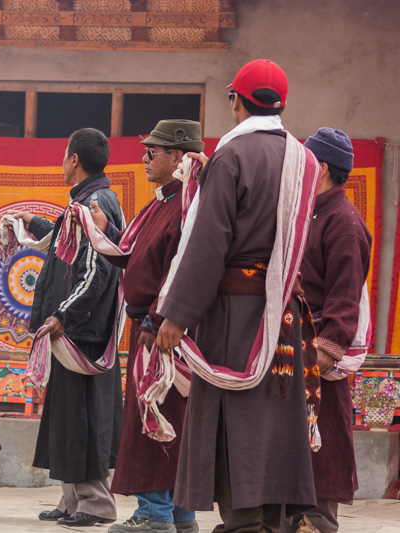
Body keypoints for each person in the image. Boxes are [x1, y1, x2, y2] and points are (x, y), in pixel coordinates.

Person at [155, 59, 320, 531]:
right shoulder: (305, 161)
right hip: (281, 312)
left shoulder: (232, 157)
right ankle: (270, 523)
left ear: (236, 101)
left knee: (235, 422)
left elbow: (209, 243)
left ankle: (243, 524)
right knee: (273, 423)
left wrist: (177, 314)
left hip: (234, 313)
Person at [84, 120, 204, 533]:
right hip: (153, 326)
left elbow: (180, 268)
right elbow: (138, 257)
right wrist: (107, 232)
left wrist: (158, 318)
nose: (144, 158)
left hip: (162, 330)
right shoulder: (162, 202)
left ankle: (155, 514)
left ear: (178, 157)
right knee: (167, 416)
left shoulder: (187, 205)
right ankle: (179, 515)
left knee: (156, 415)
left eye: (152, 152)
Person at [9, 128, 124, 528]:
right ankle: (73, 499)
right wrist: (35, 223)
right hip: (76, 331)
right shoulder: (87, 200)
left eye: (64, 155)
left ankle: (96, 503)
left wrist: (63, 315)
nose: (62, 162)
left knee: (85, 418)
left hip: (83, 333)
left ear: (74, 159)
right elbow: (67, 245)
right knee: (68, 417)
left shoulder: (95, 203)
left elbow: (96, 269)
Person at [284, 128, 371, 533]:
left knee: (324, 437)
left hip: (318, 351)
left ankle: (316, 521)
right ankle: (291, 517)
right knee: (293, 441)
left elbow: (345, 294)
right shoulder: (310, 213)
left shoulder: (343, 221)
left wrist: (325, 349)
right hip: (295, 344)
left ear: (319, 168)